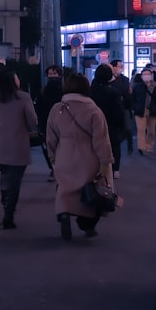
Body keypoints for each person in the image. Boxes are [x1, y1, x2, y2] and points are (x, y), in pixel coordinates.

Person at [46, 73, 115, 240]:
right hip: (89, 156)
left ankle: (63, 213)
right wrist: (105, 162)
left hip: (65, 154)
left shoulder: (57, 108)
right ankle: (87, 225)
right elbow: (102, 140)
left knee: (65, 188)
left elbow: (50, 136)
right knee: (91, 190)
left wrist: (52, 156)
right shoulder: (93, 111)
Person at [0, 68, 38, 230]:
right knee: (15, 181)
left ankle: (5, 201)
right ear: (13, 81)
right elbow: (32, 120)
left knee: (5, 174)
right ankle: (9, 212)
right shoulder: (23, 97)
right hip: (17, 143)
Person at [89, 64, 127, 179]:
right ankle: (115, 169)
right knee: (114, 146)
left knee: (95, 146)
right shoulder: (114, 92)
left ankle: (96, 168)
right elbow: (119, 112)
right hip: (111, 124)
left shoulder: (90, 92)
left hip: (93, 124)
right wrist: (122, 125)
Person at [35, 66, 64, 181]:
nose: (52, 76)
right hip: (46, 122)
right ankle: (54, 168)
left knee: (61, 146)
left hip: (61, 123)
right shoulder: (43, 90)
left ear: (59, 75)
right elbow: (39, 107)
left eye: (54, 73)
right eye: (50, 74)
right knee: (49, 147)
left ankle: (59, 169)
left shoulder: (64, 90)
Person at [132, 66, 156, 155]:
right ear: (141, 76)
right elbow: (133, 98)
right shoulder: (137, 86)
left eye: (148, 74)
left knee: (151, 131)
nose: (146, 76)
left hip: (152, 110)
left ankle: (149, 145)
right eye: (144, 74)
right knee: (141, 129)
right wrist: (135, 107)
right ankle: (141, 147)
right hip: (140, 110)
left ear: (151, 75)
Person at [108, 59, 134, 155]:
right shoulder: (108, 80)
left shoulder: (124, 79)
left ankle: (129, 145)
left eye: (121, 66)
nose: (121, 68)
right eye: (119, 66)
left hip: (125, 107)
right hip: (113, 107)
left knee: (127, 128)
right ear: (113, 67)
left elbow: (128, 94)